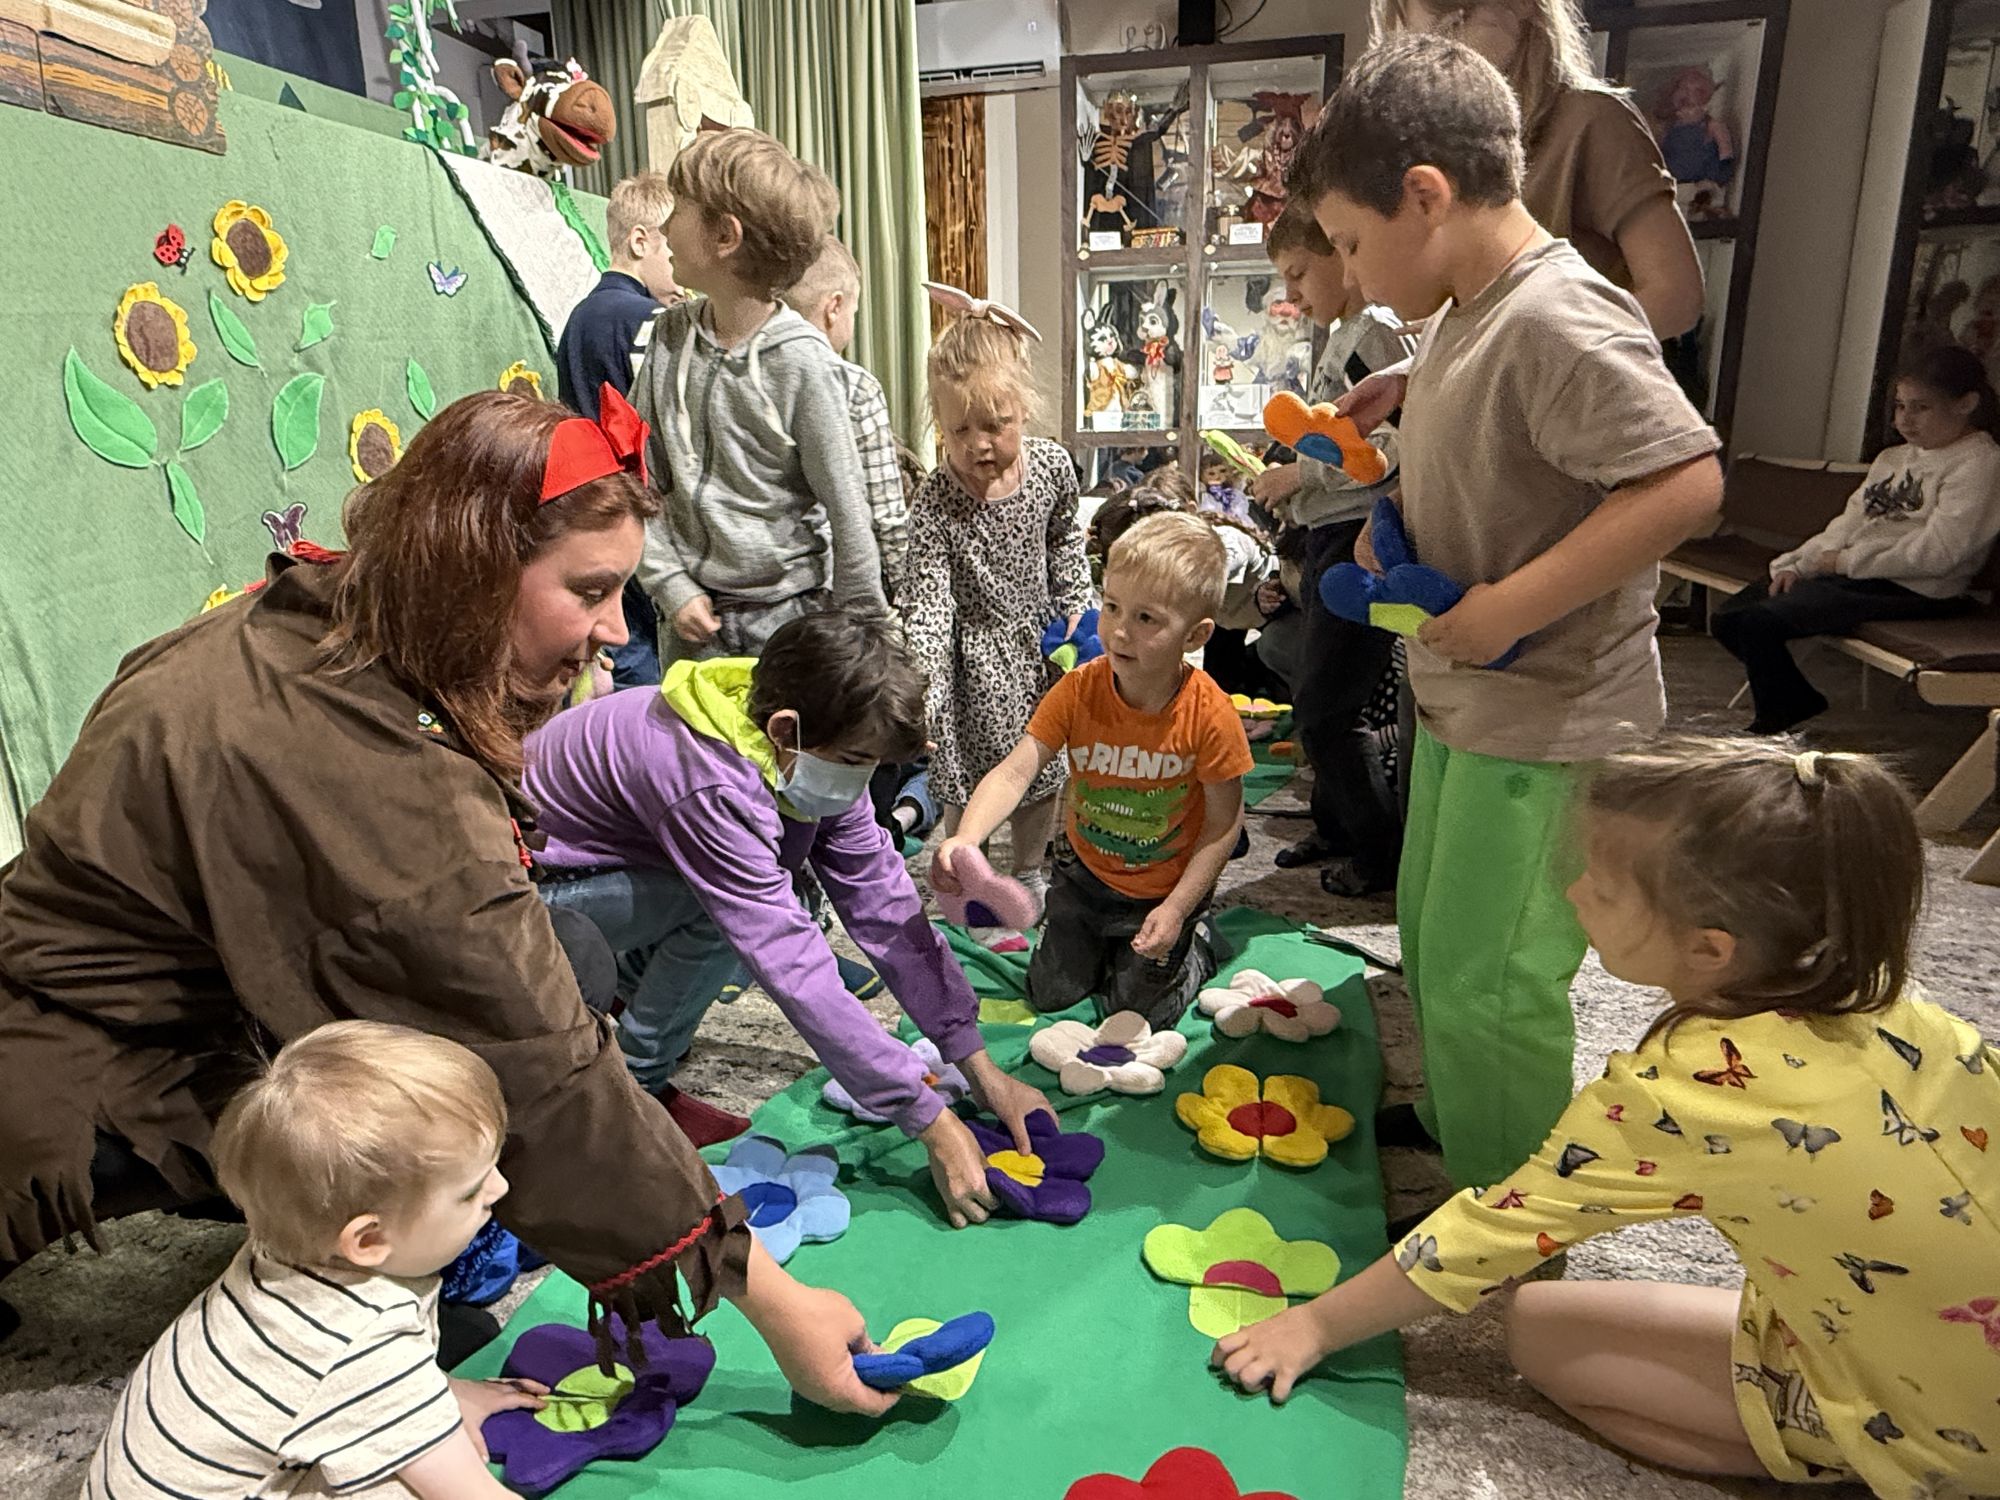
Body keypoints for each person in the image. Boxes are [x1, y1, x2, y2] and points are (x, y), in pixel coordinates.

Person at [0, 389, 895, 1416]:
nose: (614, 630)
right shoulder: (349, 757)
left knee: (566, 956)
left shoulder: (327, 622)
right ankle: (332, 1327)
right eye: (590, 591)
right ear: (468, 568)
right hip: (77, 1067)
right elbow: (535, 1059)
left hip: (198, 1003)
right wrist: (770, 1298)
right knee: (493, 1056)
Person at [1213, 738, 2000, 1500]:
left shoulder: (1686, 1094)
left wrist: (1313, 1327)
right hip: (1955, 1343)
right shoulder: (1908, 1010)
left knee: (1540, 1336)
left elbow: (1492, 1231)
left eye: (1606, 887)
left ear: (1711, 950)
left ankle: (1877, 1453)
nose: (1574, 891)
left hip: (1954, 1422)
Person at [1295, 36, 1724, 1194]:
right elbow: (1498, 450)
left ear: (1424, 196)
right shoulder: (1466, 312)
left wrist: (1504, 609)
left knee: (1493, 974)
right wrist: (1403, 422)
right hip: (1469, 702)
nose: (1350, 273)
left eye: (1349, 242)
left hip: (1545, 718)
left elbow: (1684, 482)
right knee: (1436, 938)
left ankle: (1507, 1213)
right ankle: (1460, 1120)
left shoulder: (1556, 314)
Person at [522, 607, 1054, 1227]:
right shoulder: (711, 778)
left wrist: (976, 1064)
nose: (860, 781)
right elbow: (788, 958)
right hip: (533, 898)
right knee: (729, 909)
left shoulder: (809, 740)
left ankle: (638, 1032)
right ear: (783, 728)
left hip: (618, 877)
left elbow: (884, 905)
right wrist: (928, 1119)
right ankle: (636, 1094)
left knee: (741, 900)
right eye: (855, 759)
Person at [84, 1023, 552, 1498]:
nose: (500, 1188)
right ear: (369, 1240)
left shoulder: (284, 1250)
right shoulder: (362, 1342)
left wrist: (443, 1396)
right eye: (470, 1191)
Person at [937, 512, 1254, 1026]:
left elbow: (1224, 823)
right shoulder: (1079, 688)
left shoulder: (1210, 714)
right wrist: (966, 839)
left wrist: (1177, 909)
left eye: (1146, 619)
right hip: (1082, 879)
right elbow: (1015, 772)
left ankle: (1196, 947)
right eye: (1111, 606)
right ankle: (1108, 949)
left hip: (1163, 890)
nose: (1119, 631)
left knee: (1141, 1013)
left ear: (1195, 636)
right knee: (1050, 995)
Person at [631, 128, 882, 666]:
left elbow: (848, 514)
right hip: (691, 634)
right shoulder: (668, 337)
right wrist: (669, 582)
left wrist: (864, 650)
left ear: (725, 236)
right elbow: (634, 474)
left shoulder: (803, 364)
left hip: (788, 634)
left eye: (679, 208)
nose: (665, 227)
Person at [901, 300, 1094, 925]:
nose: (979, 444)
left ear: (1024, 408)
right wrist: (925, 687)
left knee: (1039, 769)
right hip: (968, 663)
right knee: (963, 774)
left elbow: (1065, 541)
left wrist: (1077, 606)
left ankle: (1032, 870)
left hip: (1039, 651)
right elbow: (928, 600)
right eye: (959, 431)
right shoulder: (936, 497)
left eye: (995, 425)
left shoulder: (1051, 468)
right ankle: (966, 873)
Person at [1246, 200, 1411, 894]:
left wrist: (1300, 476)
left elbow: (1394, 447)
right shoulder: (1346, 334)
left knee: (1327, 708)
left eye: (1298, 273)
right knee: (1318, 691)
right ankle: (1336, 824)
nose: (1291, 294)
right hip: (1326, 535)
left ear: (1341, 256)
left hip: (1357, 538)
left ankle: (1378, 854)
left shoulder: (1378, 333)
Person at [1714, 345, 2000, 734]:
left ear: (1966, 404)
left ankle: (1779, 714)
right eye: (1900, 406)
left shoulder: (1979, 463)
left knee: (1761, 623)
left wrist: (1844, 563)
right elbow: (1848, 524)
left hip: (1920, 589)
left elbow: (1941, 552)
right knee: (1728, 618)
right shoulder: (1893, 459)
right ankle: (1795, 700)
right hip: (1860, 574)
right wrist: (1798, 564)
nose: (1905, 419)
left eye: (1921, 408)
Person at [1375, 0, 1702, 339]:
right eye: (1419, 41)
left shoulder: (1592, 120)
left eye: (1456, 22)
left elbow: (1676, 298)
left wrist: (1536, 348)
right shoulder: (1444, 148)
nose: (1438, 57)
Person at [556, 169, 683, 689]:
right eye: (672, 249)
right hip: (641, 510)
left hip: (588, 506)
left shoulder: (576, 320)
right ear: (639, 241)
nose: (679, 268)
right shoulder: (650, 321)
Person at [781, 233, 910, 597]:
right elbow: (885, 517)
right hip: (830, 594)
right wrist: (905, 597)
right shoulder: (856, 388)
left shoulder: (747, 374)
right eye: (854, 311)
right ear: (834, 307)